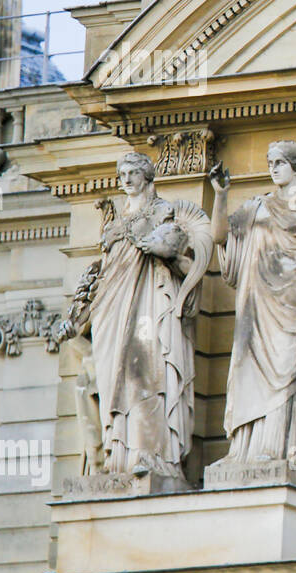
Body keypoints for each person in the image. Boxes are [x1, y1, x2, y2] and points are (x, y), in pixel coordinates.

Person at [68, 152, 208, 477]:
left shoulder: (162, 213)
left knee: (145, 374)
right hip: (112, 312)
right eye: (123, 174)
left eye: (133, 172)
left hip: (150, 302)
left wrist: (161, 249)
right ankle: (119, 457)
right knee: (116, 379)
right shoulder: (114, 225)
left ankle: (150, 453)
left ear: (147, 176)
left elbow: (182, 260)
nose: (127, 179)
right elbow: (104, 273)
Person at [208, 141, 296, 469]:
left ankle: (275, 448)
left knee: (286, 372)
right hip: (256, 303)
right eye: (270, 162)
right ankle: (244, 452)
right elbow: (220, 236)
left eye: (280, 162)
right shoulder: (255, 207)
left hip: (293, 303)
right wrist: (220, 196)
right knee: (248, 373)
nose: (273, 168)